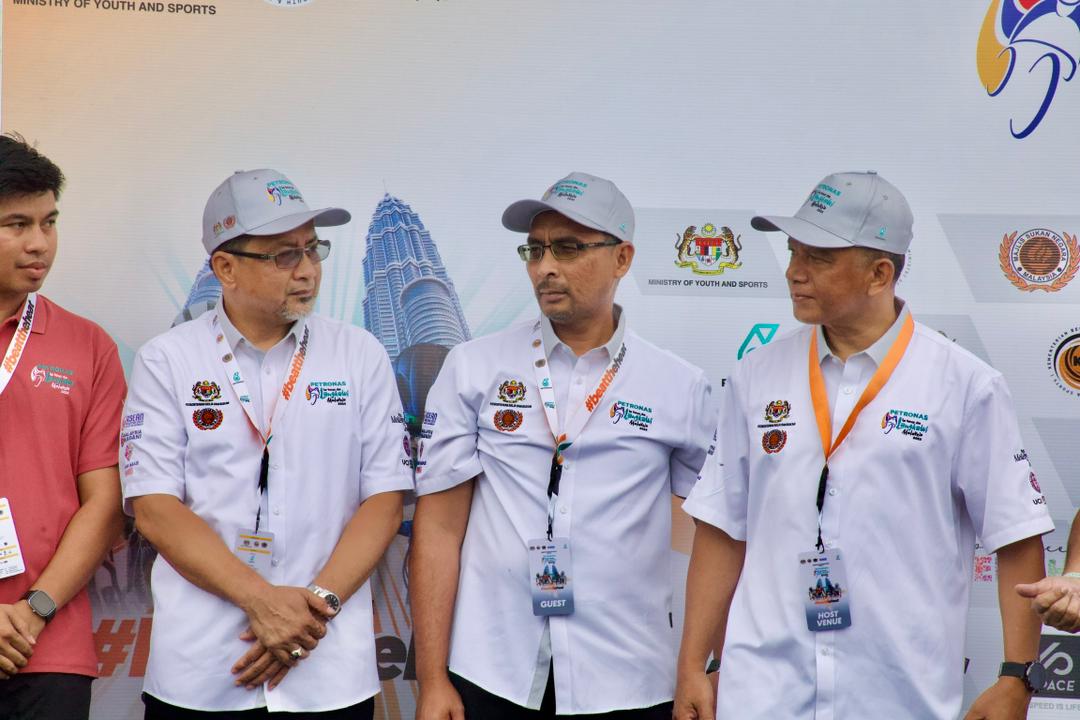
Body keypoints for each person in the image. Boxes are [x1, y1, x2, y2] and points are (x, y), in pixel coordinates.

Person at [674, 171, 1054, 720]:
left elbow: (1016, 537)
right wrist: (692, 665)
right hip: (763, 694)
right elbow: (721, 528)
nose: (794, 271)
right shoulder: (756, 374)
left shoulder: (966, 384)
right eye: (793, 251)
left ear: (880, 274)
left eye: (819, 257)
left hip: (898, 696)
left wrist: (1017, 676)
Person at [411, 172, 716, 719]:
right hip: (492, 669)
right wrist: (432, 678)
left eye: (568, 248)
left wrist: (697, 664)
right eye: (535, 249)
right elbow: (438, 528)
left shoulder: (679, 385)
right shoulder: (474, 366)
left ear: (622, 258)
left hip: (627, 675)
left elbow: (718, 532)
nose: (544, 267)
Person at [121, 169, 413, 718]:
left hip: (327, 668)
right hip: (204, 670)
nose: (307, 271)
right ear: (225, 268)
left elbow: (385, 499)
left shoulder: (359, 354)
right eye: (283, 256)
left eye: (313, 249)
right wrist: (260, 601)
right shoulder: (168, 359)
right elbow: (155, 508)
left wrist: (314, 607)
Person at [0, 133, 127, 720]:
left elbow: (104, 501)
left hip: (45, 643)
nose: (40, 244)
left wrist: (35, 609)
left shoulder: (88, 345)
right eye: (17, 224)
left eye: (49, 223)